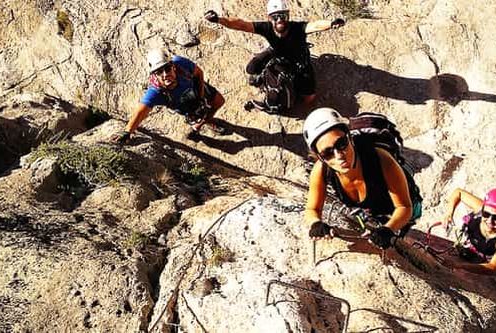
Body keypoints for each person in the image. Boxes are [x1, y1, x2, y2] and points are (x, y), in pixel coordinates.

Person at [302, 108, 416, 249]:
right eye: (328, 153)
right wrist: (316, 223)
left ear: (350, 138)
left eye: (341, 144)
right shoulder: (321, 170)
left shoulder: (380, 159)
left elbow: (405, 206)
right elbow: (312, 208)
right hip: (371, 209)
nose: (339, 155)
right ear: (319, 156)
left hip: (404, 204)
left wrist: (389, 229)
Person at [204, 0, 344, 108]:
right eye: (275, 17)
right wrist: (219, 20)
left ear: (288, 16)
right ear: (269, 18)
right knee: (251, 69)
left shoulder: (297, 28)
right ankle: (264, 80)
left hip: (301, 64)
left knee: (308, 99)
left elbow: (315, 25)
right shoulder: (266, 28)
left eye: (283, 16)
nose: (279, 20)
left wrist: (331, 23)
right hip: (277, 57)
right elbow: (241, 25)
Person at [112, 49, 229, 144]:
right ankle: (199, 126)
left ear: (172, 66)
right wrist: (127, 132)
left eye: (167, 69)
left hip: (197, 89)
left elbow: (199, 73)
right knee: (197, 114)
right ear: (154, 75)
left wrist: (201, 95)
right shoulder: (156, 92)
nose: (165, 75)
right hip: (183, 104)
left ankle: (203, 122)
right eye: (159, 72)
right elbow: (141, 112)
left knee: (219, 102)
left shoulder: (180, 64)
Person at [441, 188, 496, 274]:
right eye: (486, 214)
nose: (489, 221)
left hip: (486, 253)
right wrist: (448, 214)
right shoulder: (480, 208)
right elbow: (458, 192)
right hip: (472, 240)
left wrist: (461, 266)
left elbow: (492, 267)